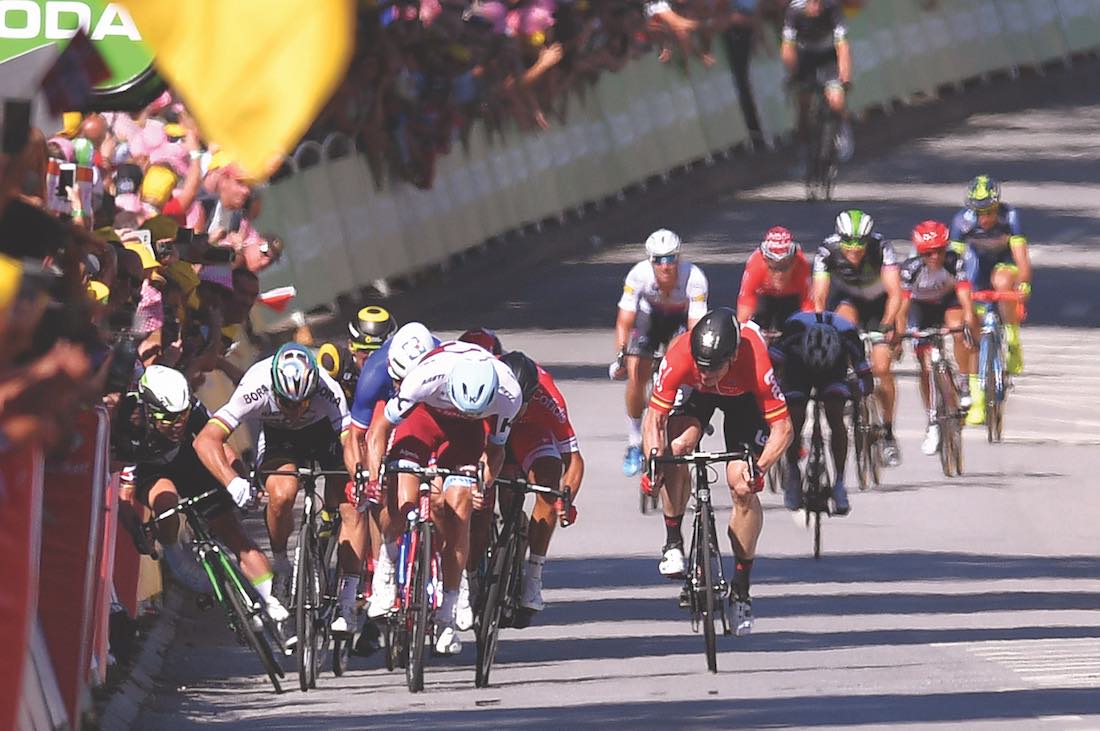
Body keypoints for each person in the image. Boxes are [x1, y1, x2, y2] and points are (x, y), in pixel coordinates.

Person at [364, 339, 522, 655]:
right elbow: (378, 430)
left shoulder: (509, 394)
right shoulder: (426, 377)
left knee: (460, 507)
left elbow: (495, 450)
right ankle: (387, 565)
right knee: (403, 495)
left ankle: (449, 610)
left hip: (467, 435)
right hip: (423, 419)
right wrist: (374, 475)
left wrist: (483, 485)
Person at [642, 308, 792, 636]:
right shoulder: (682, 353)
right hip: (697, 399)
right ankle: (672, 541)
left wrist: (761, 467)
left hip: (745, 402)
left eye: (713, 368)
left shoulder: (755, 358)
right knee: (676, 451)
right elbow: (654, 418)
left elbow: (783, 428)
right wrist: (654, 462)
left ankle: (741, 586)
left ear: (733, 356)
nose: (705, 373)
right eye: (700, 366)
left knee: (741, 484)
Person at [113, 366, 288, 623]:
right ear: (148, 410)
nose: (178, 425)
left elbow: (219, 445)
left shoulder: (191, 408)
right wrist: (138, 533)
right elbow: (125, 496)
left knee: (233, 533)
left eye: (183, 416)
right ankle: (172, 550)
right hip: (150, 470)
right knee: (167, 500)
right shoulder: (130, 422)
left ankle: (272, 601)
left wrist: (239, 480)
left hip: (187, 460)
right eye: (169, 418)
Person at [194, 344, 354, 622]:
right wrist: (233, 483)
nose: (294, 411)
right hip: (280, 439)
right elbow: (205, 440)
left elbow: (350, 441)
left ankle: (329, 534)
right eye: (286, 402)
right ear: (274, 390)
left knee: (346, 494)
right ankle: (281, 563)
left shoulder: (327, 389)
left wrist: (360, 475)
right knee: (281, 495)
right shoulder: (255, 386)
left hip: (323, 434)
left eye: (303, 403)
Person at [469, 351, 583, 628]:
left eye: (521, 402)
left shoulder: (548, 397)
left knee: (549, 480)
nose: (515, 405)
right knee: (480, 505)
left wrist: (565, 498)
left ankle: (533, 575)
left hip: (529, 434)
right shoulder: (484, 381)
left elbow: (574, 459)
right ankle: (469, 581)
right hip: (487, 432)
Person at [344, 322, 439, 633]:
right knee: (382, 491)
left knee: (447, 491)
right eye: (397, 380)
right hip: (386, 416)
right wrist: (368, 478)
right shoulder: (375, 374)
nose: (402, 387)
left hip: (433, 408)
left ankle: (449, 575)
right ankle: (384, 562)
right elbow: (359, 436)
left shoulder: (442, 363)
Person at [611, 228, 708, 478]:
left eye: (671, 259)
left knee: (680, 351)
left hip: (678, 320)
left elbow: (694, 328)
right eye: (659, 260)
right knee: (637, 370)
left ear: (679, 258)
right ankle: (634, 440)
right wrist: (621, 356)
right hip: (649, 321)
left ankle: (683, 407)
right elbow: (624, 320)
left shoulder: (694, 277)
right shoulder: (638, 275)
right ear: (650, 260)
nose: (666, 266)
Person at [813, 209, 904, 466]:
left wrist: (887, 325)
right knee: (841, 325)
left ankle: (887, 431)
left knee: (882, 368)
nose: (854, 249)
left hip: (879, 305)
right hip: (849, 301)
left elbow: (895, 293)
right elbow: (819, 297)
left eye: (860, 243)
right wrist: (820, 324)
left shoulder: (881, 247)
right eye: (849, 243)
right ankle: (845, 379)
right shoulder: (827, 250)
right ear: (839, 239)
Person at [769, 311, 872, 514]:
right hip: (797, 368)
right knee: (795, 415)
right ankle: (793, 472)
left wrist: (858, 392)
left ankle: (840, 481)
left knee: (835, 412)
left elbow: (865, 377)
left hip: (834, 369)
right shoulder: (793, 330)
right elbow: (770, 367)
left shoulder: (848, 335)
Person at [950, 175, 1031, 419]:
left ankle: (1012, 338)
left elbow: (1021, 258)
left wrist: (1024, 283)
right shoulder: (961, 222)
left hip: (1004, 265)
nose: (984, 218)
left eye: (990, 211)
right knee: (971, 329)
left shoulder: (1010, 218)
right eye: (979, 212)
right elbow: (953, 264)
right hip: (977, 267)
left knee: (1002, 281)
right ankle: (976, 398)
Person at [898, 221, 979, 454]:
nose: (935, 257)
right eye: (928, 252)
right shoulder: (910, 269)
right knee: (924, 366)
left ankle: (963, 384)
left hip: (948, 303)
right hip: (921, 309)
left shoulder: (955, 262)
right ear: (920, 252)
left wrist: (970, 328)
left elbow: (965, 300)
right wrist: (899, 336)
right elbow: (902, 308)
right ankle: (933, 421)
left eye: (940, 250)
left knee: (957, 326)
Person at [781, 0, 853, 163]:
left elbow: (842, 46)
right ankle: (804, 146)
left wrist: (845, 76)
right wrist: (793, 75)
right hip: (806, 57)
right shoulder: (794, 10)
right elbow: (787, 48)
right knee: (803, 103)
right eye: (812, 3)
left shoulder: (833, 7)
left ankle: (842, 128)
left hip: (829, 56)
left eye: (819, 3)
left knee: (836, 99)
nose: (816, 8)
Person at [736, 226, 813, 329]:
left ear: (794, 262)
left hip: (791, 298)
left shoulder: (801, 264)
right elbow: (746, 299)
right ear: (765, 261)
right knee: (755, 325)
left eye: (784, 267)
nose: (779, 274)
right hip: (764, 296)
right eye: (774, 268)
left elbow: (808, 304)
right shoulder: (756, 264)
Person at [318, 305, 399, 403]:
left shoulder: (404, 363)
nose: (372, 357)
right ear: (351, 346)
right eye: (365, 351)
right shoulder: (334, 361)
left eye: (379, 352)